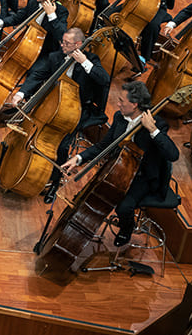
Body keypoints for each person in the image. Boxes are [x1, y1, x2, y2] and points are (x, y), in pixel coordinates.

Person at [62, 81, 179, 247]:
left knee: (123, 208)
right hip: (117, 169)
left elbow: (173, 155)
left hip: (142, 176)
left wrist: (153, 130)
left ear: (134, 104)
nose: (117, 104)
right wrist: (79, 158)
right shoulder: (119, 117)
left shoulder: (157, 123)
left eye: (121, 101)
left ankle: (126, 229)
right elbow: (104, 145)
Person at [10, 28, 111, 203]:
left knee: (62, 147)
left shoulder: (92, 59)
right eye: (62, 41)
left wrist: (85, 61)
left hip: (77, 110)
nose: (62, 45)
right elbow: (38, 75)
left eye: (67, 43)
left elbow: (104, 80)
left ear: (78, 45)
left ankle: (55, 183)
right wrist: (22, 93)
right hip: (52, 104)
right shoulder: (56, 57)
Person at [0, 0, 68, 65]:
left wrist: (52, 15)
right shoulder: (34, 2)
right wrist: (1, 22)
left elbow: (62, 35)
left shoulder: (61, 11)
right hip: (27, 44)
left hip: (45, 53)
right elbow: (19, 17)